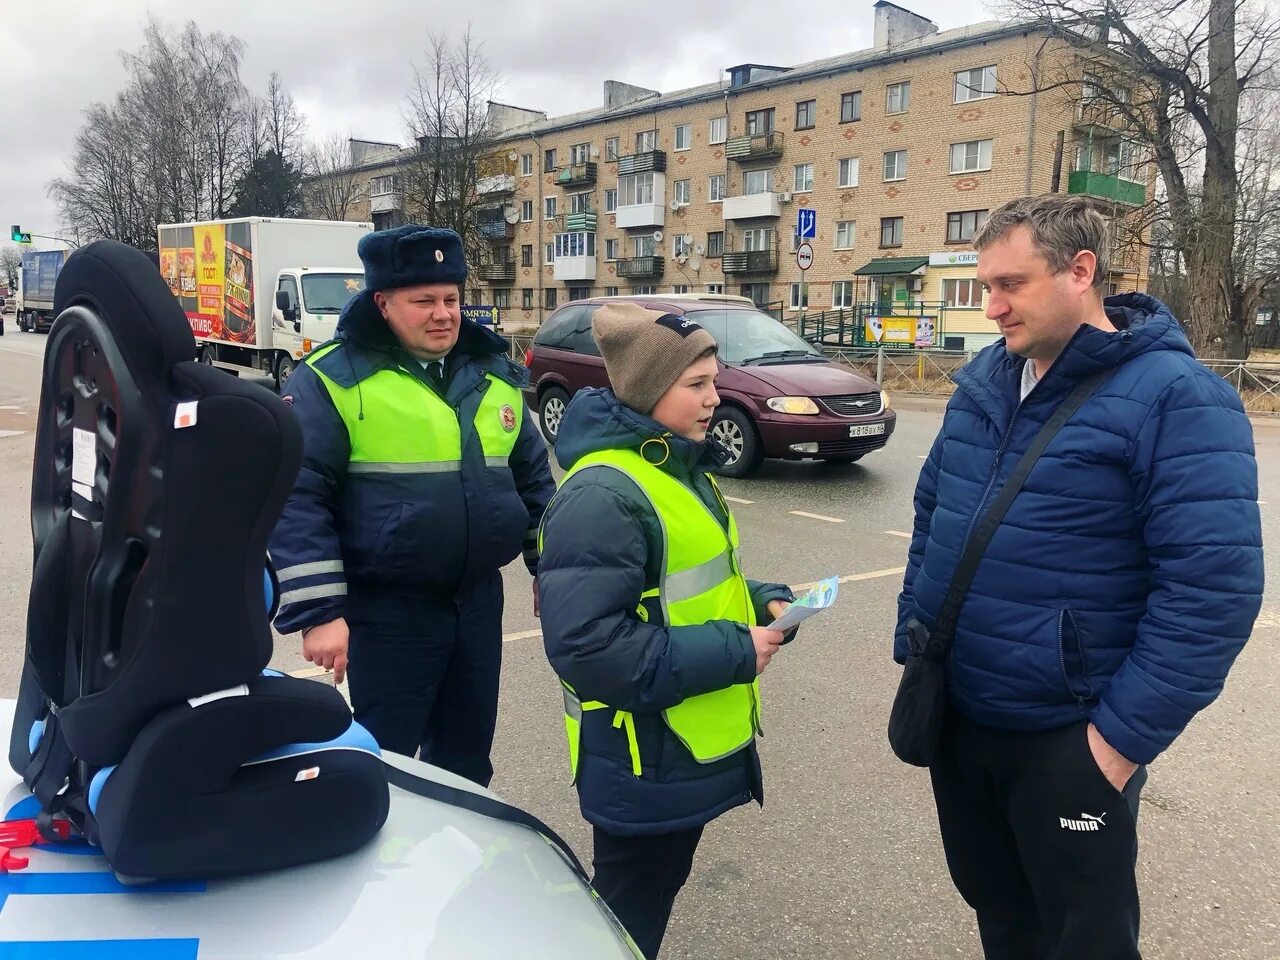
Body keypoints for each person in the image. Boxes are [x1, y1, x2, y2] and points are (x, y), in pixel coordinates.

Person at [895, 194, 1263, 959]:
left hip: (1070, 740)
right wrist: (916, 639)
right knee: (1001, 916)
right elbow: (933, 513)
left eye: (1010, 285)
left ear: (1081, 271)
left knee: (1083, 940)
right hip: (963, 723)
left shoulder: (1177, 397)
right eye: (983, 284)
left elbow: (1211, 595)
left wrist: (1114, 747)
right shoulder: (985, 384)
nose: (990, 307)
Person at [537, 302, 796, 958]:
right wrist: (739, 651)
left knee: (640, 907)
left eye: (715, 379)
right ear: (651, 390)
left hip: (671, 752)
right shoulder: (605, 495)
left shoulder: (672, 466)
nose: (716, 397)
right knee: (622, 925)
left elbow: (680, 585)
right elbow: (591, 649)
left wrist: (759, 599)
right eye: (697, 384)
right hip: (640, 758)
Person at [269, 225, 555, 787]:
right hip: (387, 613)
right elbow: (298, 498)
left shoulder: (491, 373)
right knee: (384, 761)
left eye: (451, 298)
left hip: (475, 605)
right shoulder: (332, 379)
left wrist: (549, 567)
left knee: (467, 760)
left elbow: (534, 483)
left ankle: (460, 864)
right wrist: (322, 611)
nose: (443, 314)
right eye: (423, 301)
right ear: (382, 303)